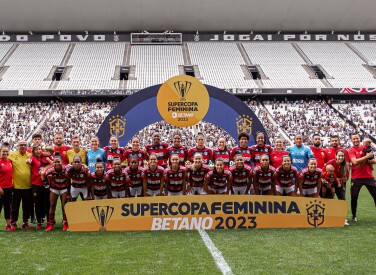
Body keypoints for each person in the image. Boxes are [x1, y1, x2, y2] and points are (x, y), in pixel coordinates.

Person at [348, 133, 376, 222]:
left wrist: (366, 159)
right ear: (351, 140)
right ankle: (354, 215)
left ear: (360, 139)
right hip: (356, 177)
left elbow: (374, 160)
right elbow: (355, 162)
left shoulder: (366, 148)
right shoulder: (351, 150)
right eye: (354, 139)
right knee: (354, 196)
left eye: (357, 138)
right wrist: (367, 158)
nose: (356, 140)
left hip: (369, 176)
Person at [8, 140, 32, 230]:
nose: (23, 146)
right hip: (16, 186)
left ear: (27, 146)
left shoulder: (30, 156)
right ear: (17, 146)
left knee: (27, 206)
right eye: (21, 145)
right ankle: (13, 222)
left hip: (28, 186)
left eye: (24, 145)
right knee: (15, 205)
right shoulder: (12, 155)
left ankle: (25, 222)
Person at [26, 144, 51, 230]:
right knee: (37, 204)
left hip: (46, 184)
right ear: (33, 151)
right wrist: (28, 161)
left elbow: (52, 164)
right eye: (36, 149)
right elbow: (28, 161)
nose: (38, 151)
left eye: (39, 149)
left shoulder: (45, 158)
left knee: (47, 203)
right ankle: (39, 222)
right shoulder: (32, 158)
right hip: (36, 184)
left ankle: (49, 222)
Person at [45, 153, 70, 231]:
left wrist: (85, 166)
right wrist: (47, 184)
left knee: (64, 205)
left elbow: (74, 166)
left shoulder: (66, 168)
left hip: (64, 188)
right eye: (55, 162)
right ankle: (51, 223)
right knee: (52, 204)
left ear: (62, 161)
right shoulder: (51, 169)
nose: (57, 163)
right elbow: (43, 174)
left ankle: (66, 223)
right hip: (54, 188)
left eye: (58, 162)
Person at [0, 145, 14, 231]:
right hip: (1, 188)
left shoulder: (9, 161)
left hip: (9, 188)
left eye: (6, 151)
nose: (5, 153)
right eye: (3, 151)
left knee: (7, 207)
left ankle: (8, 225)